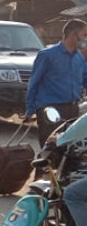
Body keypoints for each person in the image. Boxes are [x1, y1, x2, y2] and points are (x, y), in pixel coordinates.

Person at [25, 19, 87, 147]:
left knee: (70, 149)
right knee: (50, 150)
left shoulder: (79, 58)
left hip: (73, 109)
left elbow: (85, 80)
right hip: (51, 110)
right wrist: (30, 109)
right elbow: (34, 82)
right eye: (84, 35)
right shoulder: (47, 55)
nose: (86, 39)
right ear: (73, 34)